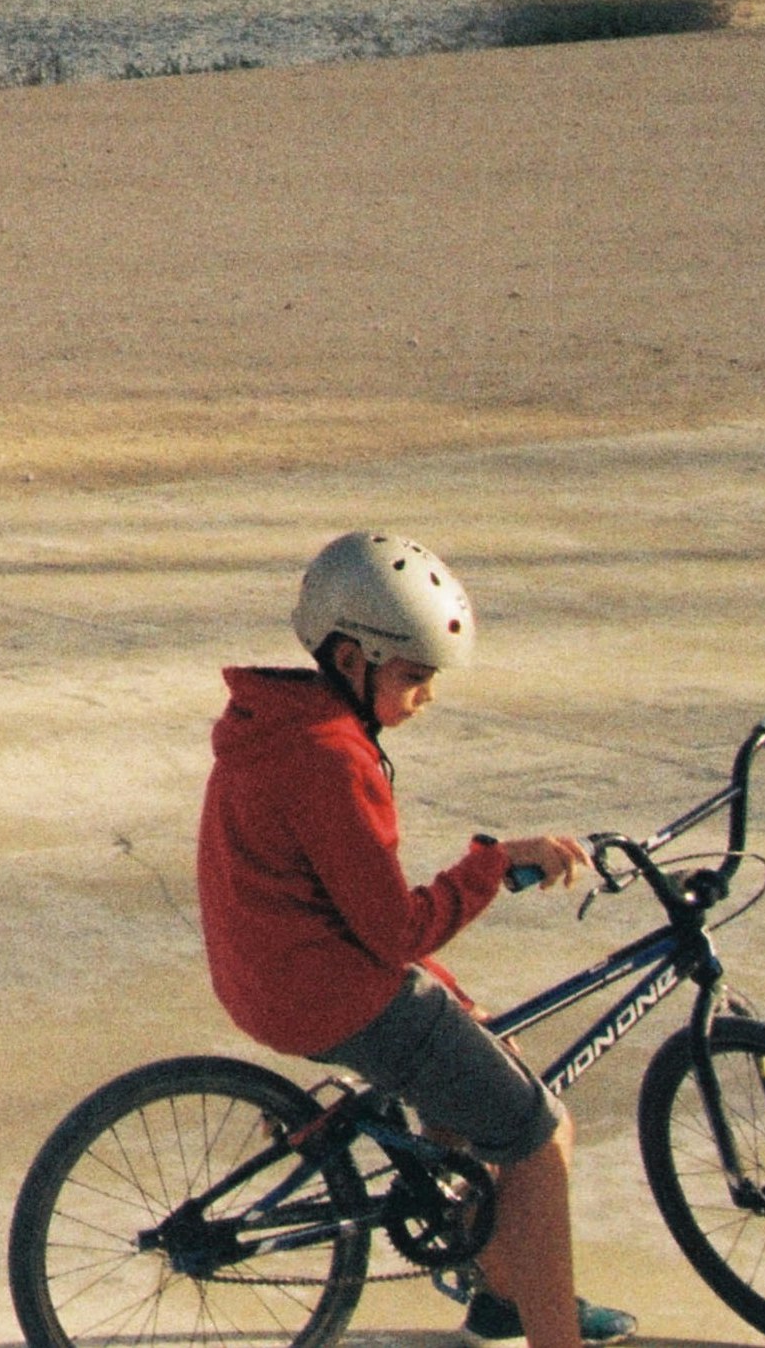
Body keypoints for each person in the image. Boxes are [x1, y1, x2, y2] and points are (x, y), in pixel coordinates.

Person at [198, 533, 625, 1348]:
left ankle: (501, 1292)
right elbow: (397, 931)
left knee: (473, 1040)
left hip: (269, 976)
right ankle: (552, 1335)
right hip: (331, 994)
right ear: (353, 658)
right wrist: (493, 866)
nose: (426, 695)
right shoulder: (331, 760)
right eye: (414, 676)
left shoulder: (273, 724)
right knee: (539, 1136)